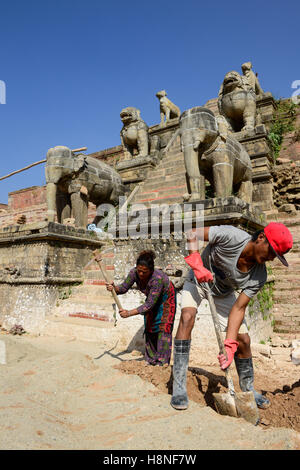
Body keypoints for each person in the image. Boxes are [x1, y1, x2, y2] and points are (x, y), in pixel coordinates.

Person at [171, 222, 293, 411]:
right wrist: (196, 262)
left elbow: (239, 307)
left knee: (243, 340)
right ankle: (178, 386)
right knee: (187, 317)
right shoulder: (232, 236)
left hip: (222, 293)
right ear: (261, 238)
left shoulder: (259, 275)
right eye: (271, 252)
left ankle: (248, 390)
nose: (271, 258)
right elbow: (192, 232)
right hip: (197, 281)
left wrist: (229, 345)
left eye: (275, 256)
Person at [106, 250, 177, 366]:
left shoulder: (157, 278)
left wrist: (129, 313)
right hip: (152, 298)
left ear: (151, 270)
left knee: (164, 328)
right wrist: (114, 288)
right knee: (150, 327)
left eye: (145, 272)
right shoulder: (134, 273)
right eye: (139, 271)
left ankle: (162, 363)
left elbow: (148, 305)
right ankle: (151, 360)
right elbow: (123, 287)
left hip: (166, 299)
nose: (141, 274)